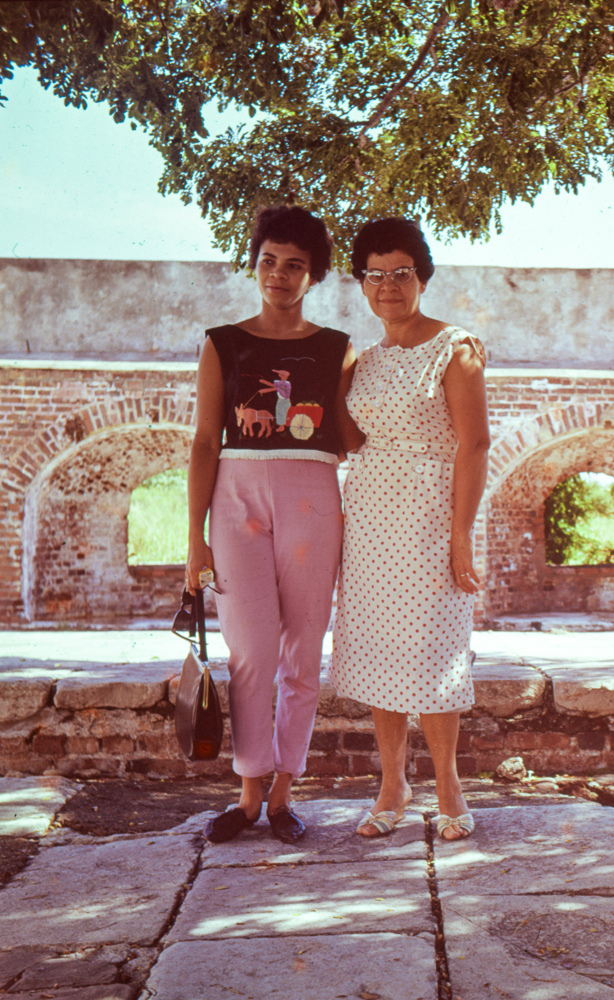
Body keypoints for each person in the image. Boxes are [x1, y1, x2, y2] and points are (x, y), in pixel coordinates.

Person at [186, 205, 357, 844]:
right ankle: (248, 791)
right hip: (236, 498)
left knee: (303, 652)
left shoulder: (337, 350)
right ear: (253, 263)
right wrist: (194, 537)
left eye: (294, 266)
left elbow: (353, 436)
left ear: (313, 275)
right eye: (268, 262)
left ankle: (284, 795)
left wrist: (442, 352)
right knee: (251, 650)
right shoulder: (222, 342)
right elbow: (205, 442)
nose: (278, 275)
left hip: (312, 491)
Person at [332, 217, 490, 841]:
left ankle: (449, 785)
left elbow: (474, 444)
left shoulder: (456, 348)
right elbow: (348, 440)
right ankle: (392, 783)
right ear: (362, 285)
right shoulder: (362, 360)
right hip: (370, 516)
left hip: (430, 515)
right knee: (380, 650)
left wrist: (460, 535)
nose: (388, 285)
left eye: (401, 273)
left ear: (422, 278)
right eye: (375, 275)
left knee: (435, 648)